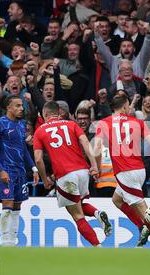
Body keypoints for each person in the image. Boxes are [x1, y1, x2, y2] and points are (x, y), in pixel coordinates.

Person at [94, 94, 150, 248]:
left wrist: (97, 168)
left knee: (145, 212)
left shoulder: (104, 123)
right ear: (125, 106)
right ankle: (141, 227)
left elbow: (97, 149)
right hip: (138, 170)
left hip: (126, 173)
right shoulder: (138, 122)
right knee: (117, 200)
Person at [33, 101, 111, 247]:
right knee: (79, 203)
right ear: (59, 112)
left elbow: (38, 159)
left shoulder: (40, 131)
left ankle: (98, 247)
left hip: (65, 175)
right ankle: (97, 213)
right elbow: (86, 143)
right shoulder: (72, 124)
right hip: (82, 172)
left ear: (45, 113)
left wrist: (45, 179)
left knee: (77, 215)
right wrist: (94, 165)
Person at [0, 95, 40, 246]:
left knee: (17, 207)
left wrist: (34, 168)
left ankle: (13, 241)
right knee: (7, 208)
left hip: (21, 172)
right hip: (7, 170)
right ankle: (5, 241)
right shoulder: (0, 123)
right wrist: (1, 170)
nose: (21, 108)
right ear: (8, 108)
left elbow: (23, 149)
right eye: (17, 106)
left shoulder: (22, 124)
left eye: (22, 106)